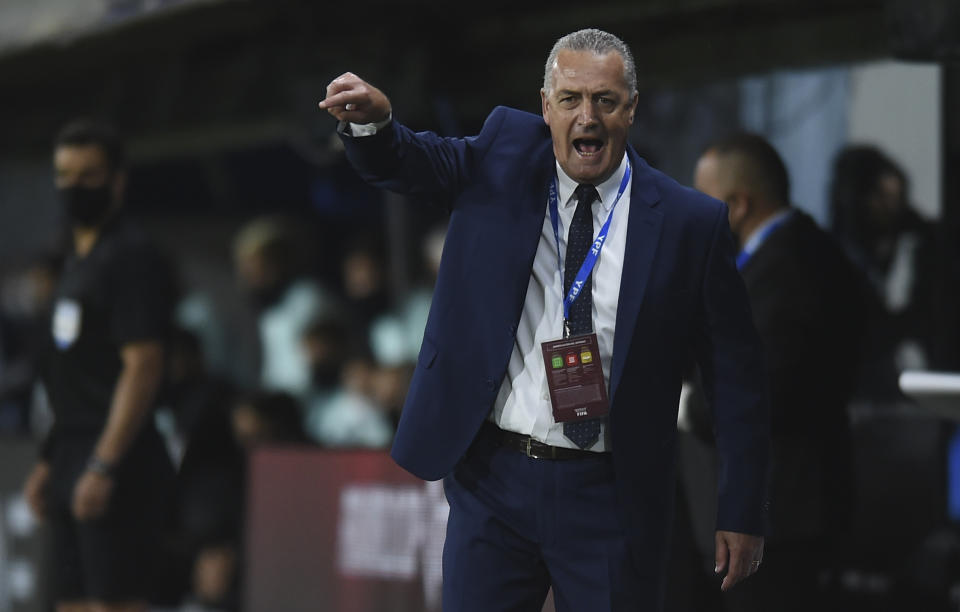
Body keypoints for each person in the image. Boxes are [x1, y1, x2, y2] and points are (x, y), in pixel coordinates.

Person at [319, 28, 770, 611]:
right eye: (571, 99)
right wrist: (375, 126)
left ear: (631, 110)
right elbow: (413, 162)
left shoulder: (691, 224)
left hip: (611, 496)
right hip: (494, 482)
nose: (588, 116)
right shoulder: (503, 155)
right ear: (545, 106)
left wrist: (741, 509)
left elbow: (737, 377)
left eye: (605, 101)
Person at [690, 133, 863, 611]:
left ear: (738, 204)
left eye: (701, 203)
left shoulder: (789, 269)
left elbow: (750, 395)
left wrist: (684, 402)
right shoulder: (797, 253)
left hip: (781, 517)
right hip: (783, 511)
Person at [20, 119, 178, 611]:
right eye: (64, 175)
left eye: (88, 176)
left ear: (117, 181)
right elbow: (71, 374)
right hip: (70, 450)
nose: (74, 187)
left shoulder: (129, 255)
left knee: (115, 602)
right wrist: (51, 461)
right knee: (71, 601)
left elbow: (143, 365)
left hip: (118, 457)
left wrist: (103, 463)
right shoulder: (70, 259)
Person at [828, 145, 942, 401]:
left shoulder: (925, 243)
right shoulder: (844, 252)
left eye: (894, 196)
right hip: (864, 389)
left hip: (925, 383)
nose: (889, 205)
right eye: (879, 196)